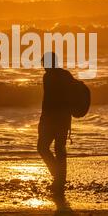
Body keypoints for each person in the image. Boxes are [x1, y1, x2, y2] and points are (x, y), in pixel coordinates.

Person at [37, 52, 73, 194]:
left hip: (51, 119)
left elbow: (48, 102)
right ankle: (59, 180)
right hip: (64, 119)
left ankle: (58, 178)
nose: (43, 67)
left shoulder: (48, 77)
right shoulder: (66, 75)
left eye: (44, 64)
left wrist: (42, 120)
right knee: (59, 149)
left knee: (42, 148)